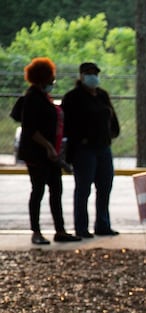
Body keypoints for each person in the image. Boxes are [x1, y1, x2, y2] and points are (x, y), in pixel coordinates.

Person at [17, 57, 81, 245]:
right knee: (38, 191)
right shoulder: (32, 98)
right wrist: (48, 146)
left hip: (51, 154)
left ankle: (60, 230)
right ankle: (36, 231)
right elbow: (30, 129)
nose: (52, 82)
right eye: (50, 78)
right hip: (37, 154)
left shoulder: (44, 98)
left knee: (56, 190)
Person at [61, 62, 121, 238]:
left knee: (105, 186)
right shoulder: (73, 97)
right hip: (84, 150)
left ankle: (103, 224)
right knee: (83, 188)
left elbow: (111, 118)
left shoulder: (102, 95)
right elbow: (68, 124)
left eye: (95, 73)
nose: (92, 76)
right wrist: (80, 139)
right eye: (88, 73)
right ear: (81, 75)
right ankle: (81, 227)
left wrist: (111, 133)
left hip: (103, 147)